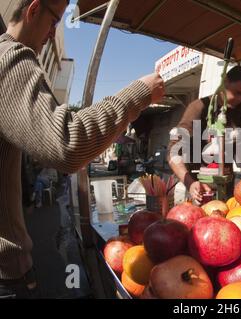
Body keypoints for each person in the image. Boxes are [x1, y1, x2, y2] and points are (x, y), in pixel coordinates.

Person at [0, 0, 165, 298]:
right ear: (33, 10)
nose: (52, 35)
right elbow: (68, 143)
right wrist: (139, 92)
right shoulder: (10, 58)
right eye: (54, 22)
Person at [168, 66, 241, 203]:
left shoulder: (240, 109)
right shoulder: (198, 108)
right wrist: (190, 183)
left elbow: (239, 143)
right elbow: (173, 152)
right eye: (237, 92)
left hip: (226, 185)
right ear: (225, 82)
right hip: (199, 187)